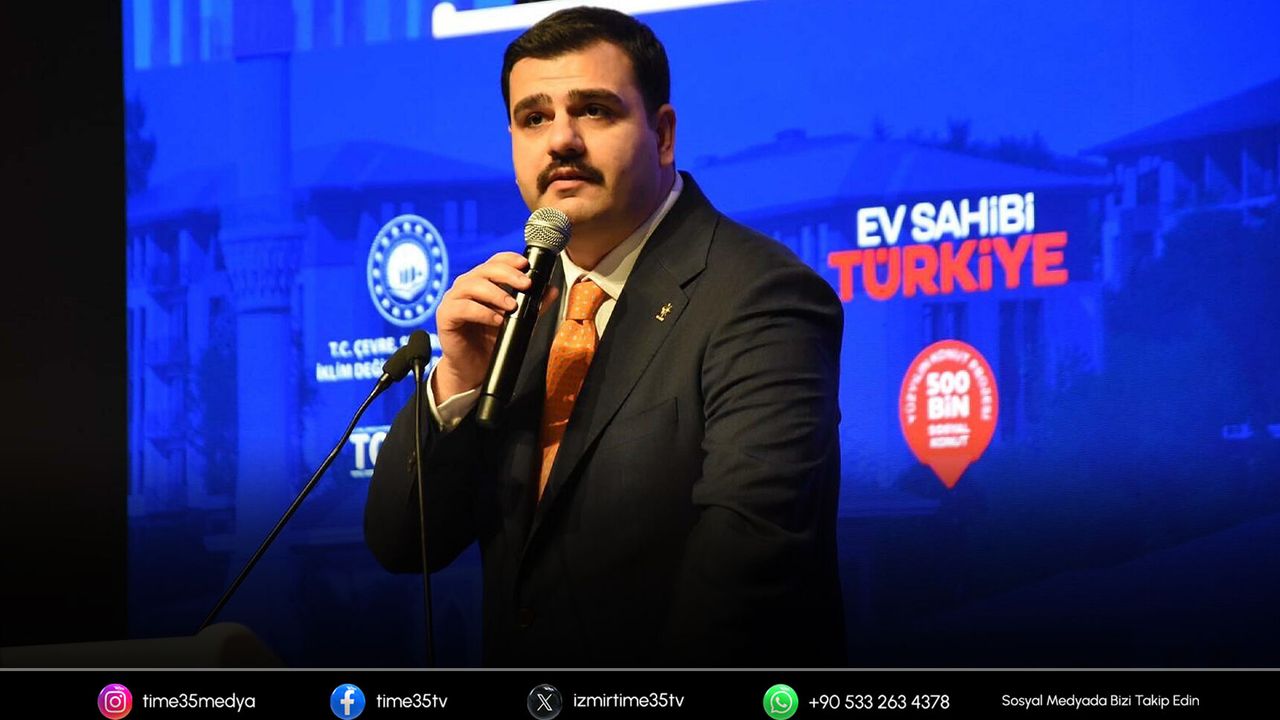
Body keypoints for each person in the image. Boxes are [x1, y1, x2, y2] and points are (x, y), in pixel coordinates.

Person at [365, 6, 845, 667]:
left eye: (593, 110)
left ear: (663, 134)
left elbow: (746, 576)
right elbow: (401, 544)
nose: (561, 140)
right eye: (534, 118)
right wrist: (458, 381)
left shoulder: (761, 295)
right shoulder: (510, 309)